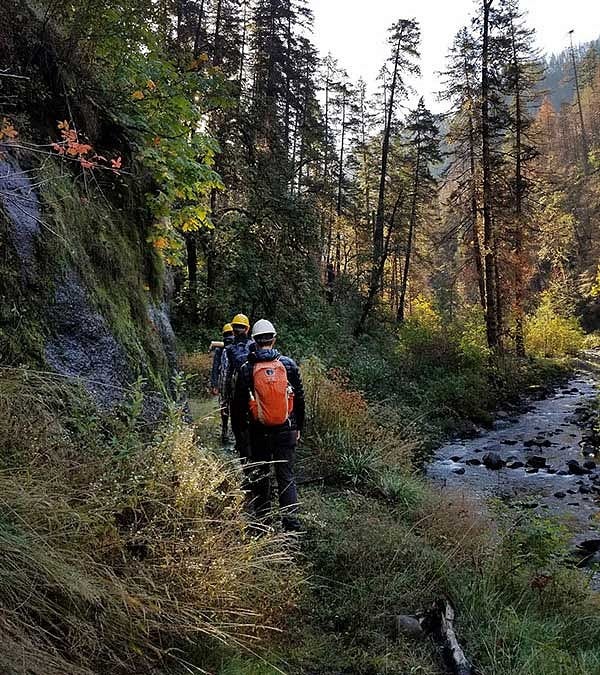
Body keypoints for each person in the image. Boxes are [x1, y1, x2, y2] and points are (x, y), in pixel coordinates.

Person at [231, 319, 305, 532]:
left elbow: (238, 407)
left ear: (254, 340)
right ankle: (291, 527)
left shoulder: (247, 368)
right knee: (286, 476)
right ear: (274, 339)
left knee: (262, 477)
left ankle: (263, 526)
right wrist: (298, 426)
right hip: (287, 429)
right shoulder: (288, 364)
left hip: (259, 432)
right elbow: (299, 398)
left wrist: (240, 436)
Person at [219, 313, 255, 458]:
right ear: (247, 329)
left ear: (233, 330)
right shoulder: (255, 346)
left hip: (236, 398)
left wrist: (224, 400)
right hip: (255, 396)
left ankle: (244, 459)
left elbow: (224, 377)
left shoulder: (228, 350)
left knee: (239, 429)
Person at [210, 323, 235, 443]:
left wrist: (214, 385)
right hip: (234, 383)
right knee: (234, 406)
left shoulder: (220, 348)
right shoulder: (237, 347)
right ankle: (231, 432)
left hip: (223, 383)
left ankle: (225, 431)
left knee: (224, 406)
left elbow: (215, 368)